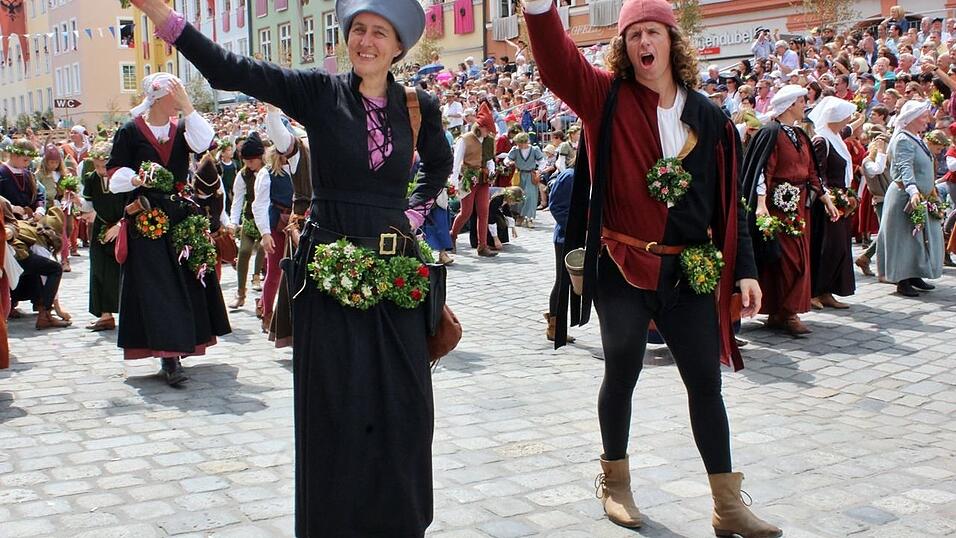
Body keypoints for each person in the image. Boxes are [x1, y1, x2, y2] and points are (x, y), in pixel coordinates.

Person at [132, 0, 452, 534]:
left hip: (395, 270)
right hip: (327, 270)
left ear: (398, 47)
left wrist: (411, 216)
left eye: (379, 33)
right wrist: (162, 15)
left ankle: (398, 521)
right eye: (357, 30)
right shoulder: (319, 93)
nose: (365, 41)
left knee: (407, 404)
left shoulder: (420, 106)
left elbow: (439, 164)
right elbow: (233, 69)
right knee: (335, 404)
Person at [524, 1, 779, 537]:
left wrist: (745, 271)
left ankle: (726, 502)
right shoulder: (605, 99)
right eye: (634, 34)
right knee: (622, 370)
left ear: (670, 41)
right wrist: (539, 9)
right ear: (625, 46)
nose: (644, 42)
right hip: (620, 266)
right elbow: (555, 62)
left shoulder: (708, 117)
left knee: (706, 383)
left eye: (653, 33)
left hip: (688, 272)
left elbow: (729, 205)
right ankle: (615, 483)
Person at [106, 72, 231, 387]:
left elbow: (205, 142)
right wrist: (136, 179)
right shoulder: (130, 132)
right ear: (159, 97)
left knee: (188, 280)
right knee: (158, 286)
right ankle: (169, 356)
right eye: (176, 95)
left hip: (179, 215)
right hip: (147, 219)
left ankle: (182, 343)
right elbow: (113, 176)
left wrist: (189, 108)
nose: (179, 101)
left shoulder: (183, 128)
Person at [741, 85, 839, 336]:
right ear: (789, 105)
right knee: (785, 259)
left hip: (800, 205)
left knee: (799, 256)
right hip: (777, 207)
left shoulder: (801, 135)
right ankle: (786, 311)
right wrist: (762, 205)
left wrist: (825, 198)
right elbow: (764, 171)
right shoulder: (770, 133)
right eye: (800, 101)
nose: (803, 105)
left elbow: (813, 172)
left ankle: (783, 310)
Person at [876, 100, 943, 296]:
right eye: (923, 116)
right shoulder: (904, 140)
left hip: (918, 196)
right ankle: (901, 279)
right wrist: (913, 190)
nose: (927, 120)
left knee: (914, 239)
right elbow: (905, 167)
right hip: (904, 196)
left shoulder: (915, 137)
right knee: (902, 239)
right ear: (912, 119)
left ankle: (913, 274)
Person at [808, 96, 858, 310]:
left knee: (839, 248)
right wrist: (831, 197)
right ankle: (814, 291)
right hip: (827, 202)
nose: (847, 122)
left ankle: (827, 290)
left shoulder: (835, 137)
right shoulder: (822, 140)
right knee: (825, 247)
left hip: (840, 199)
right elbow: (818, 174)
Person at [81, 142, 124, 332]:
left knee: (122, 270)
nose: (100, 170)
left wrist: (120, 225)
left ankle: (130, 313)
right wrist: (78, 203)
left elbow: (134, 203)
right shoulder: (91, 179)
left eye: (103, 166)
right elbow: (88, 206)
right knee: (99, 268)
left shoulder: (123, 177)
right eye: (96, 166)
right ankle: (105, 315)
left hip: (123, 226)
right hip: (101, 225)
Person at [450, 102, 498, 257]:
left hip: (483, 180)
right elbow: (456, 162)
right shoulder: (465, 139)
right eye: (487, 129)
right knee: (466, 212)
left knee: (484, 212)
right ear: (480, 127)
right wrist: (454, 182)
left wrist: (492, 171)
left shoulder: (489, 140)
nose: (488, 132)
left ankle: (482, 246)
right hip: (468, 179)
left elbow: (490, 159)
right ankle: (452, 236)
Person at [228, 132, 267, 309]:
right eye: (245, 161)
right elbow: (237, 200)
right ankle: (240, 293)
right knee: (243, 252)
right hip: (250, 219)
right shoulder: (242, 175)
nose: (248, 165)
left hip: (268, 219)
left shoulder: (270, 171)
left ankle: (257, 278)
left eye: (252, 161)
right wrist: (233, 222)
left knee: (263, 250)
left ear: (261, 157)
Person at [507, 132, 544, 227]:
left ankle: (529, 218)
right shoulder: (515, 150)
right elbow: (507, 159)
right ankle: (519, 216)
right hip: (519, 175)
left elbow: (542, 161)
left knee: (530, 196)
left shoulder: (534, 149)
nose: (518, 145)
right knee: (518, 195)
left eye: (520, 143)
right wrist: (509, 162)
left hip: (531, 175)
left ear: (525, 142)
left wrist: (539, 171)